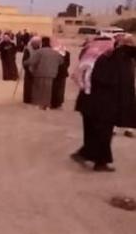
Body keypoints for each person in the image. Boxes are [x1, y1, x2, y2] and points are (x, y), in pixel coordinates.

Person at [71, 36, 136, 171]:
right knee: (102, 133)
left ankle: (85, 155)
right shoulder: (113, 60)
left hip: (92, 102)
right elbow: (105, 81)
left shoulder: (102, 57)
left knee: (95, 132)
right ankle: (98, 162)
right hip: (102, 104)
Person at [25, 37, 64, 110]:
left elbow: (31, 61)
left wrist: (25, 62)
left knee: (38, 90)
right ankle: (46, 105)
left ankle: (38, 104)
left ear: (42, 43)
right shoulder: (55, 52)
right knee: (48, 91)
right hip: (51, 74)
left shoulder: (39, 51)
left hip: (39, 73)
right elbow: (61, 61)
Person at [50, 40, 71, 109]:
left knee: (56, 88)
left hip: (57, 73)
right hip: (62, 73)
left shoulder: (54, 53)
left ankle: (55, 103)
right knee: (60, 89)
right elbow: (68, 64)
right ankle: (58, 103)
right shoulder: (66, 53)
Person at [22, 36, 42, 104]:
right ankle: (27, 99)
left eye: (39, 42)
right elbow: (25, 60)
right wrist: (27, 69)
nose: (38, 44)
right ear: (33, 42)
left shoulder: (40, 49)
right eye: (37, 43)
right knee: (28, 86)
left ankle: (35, 99)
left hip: (38, 70)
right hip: (29, 70)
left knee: (37, 86)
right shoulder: (28, 49)